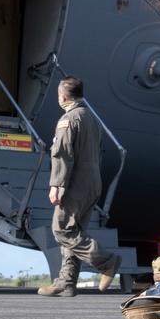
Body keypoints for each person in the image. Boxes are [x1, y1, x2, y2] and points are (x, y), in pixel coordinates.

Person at [38, 76, 121, 297]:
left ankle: (106, 261)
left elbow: (62, 154)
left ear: (62, 96)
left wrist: (56, 184)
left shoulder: (69, 119)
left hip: (76, 181)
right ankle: (66, 281)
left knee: (61, 229)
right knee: (74, 232)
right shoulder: (93, 119)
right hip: (93, 181)